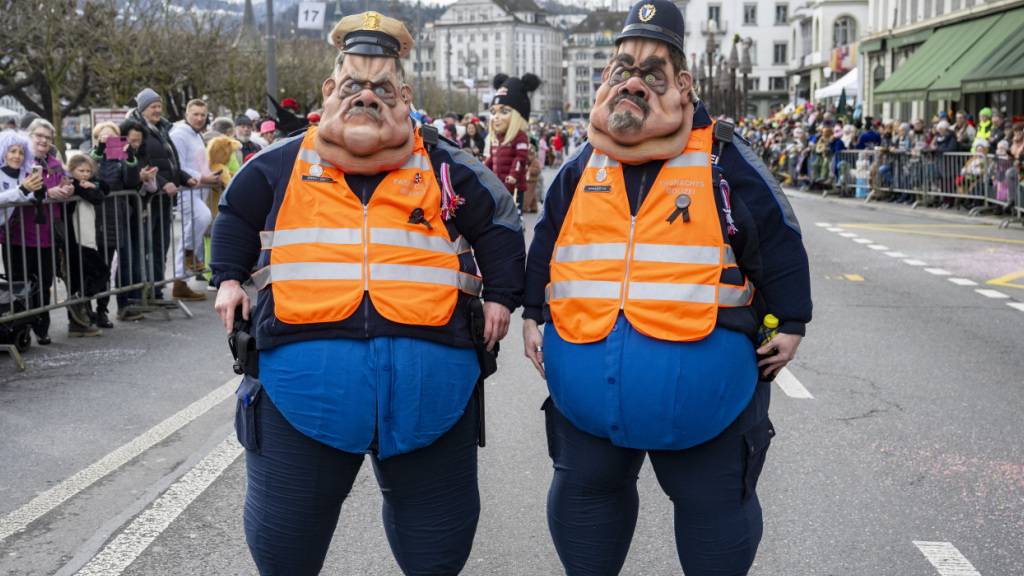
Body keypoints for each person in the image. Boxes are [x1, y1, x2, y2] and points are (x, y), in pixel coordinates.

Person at [210, 12, 524, 575]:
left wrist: (502, 295)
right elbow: (235, 211)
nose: (367, 98)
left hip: (433, 397)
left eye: (383, 89)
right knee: (284, 551)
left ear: (405, 96)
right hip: (296, 395)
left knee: (438, 552)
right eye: (353, 86)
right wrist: (229, 279)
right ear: (329, 91)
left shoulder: (445, 163)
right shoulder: (283, 162)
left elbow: (499, 219)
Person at [521, 1, 812, 574]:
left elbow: (778, 239)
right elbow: (548, 243)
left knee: (716, 521)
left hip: (710, 408)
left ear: (683, 84)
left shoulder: (723, 161)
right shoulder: (583, 166)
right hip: (587, 405)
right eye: (621, 68)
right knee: (584, 515)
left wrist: (793, 322)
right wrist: (533, 312)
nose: (632, 81)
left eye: (650, 72)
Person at [1, 119, 73, 345]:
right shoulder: (20, 163)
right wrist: (42, 192)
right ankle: (19, 330)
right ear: (28, 136)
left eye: (47, 137)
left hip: (47, 233)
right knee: (19, 284)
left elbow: (66, 181)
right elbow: (19, 192)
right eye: (38, 136)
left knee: (43, 282)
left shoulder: (54, 163)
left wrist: (69, 188)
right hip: (17, 234)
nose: (43, 140)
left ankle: (41, 328)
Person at [128, 88, 193, 300]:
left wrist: (183, 177)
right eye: (153, 107)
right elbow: (142, 163)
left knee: (160, 245)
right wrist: (163, 183)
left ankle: (156, 290)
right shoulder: (136, 129)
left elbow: (169, 161)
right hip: (148, 198)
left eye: (159, 106)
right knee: (144, 246)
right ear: (143, 109)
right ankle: (139, 293)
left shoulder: (163, 129)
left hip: (164, 198)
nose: (157, 110)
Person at [169, 99, 219, 300]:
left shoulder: (197, 136)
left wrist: (213, 175)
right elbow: (177, 165)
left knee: (198, 223)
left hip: (199, 189)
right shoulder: (179, 134)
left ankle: (180, 281)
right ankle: (190, 256)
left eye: (203, 115)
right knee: (202, 217)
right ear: (186, 114)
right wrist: (202, 178)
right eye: (195, 114)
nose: (199, 118)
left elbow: (198, 163)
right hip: (185, 190)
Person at [64, 154, 108, 336]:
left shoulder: (88, 183)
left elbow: (105, 188)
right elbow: (97, 197)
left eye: (88, 171)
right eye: (80, 171)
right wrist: (92, 187)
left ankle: (80, 312)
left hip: (88, 237)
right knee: (99, 272)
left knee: (90, 275)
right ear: (72, 171)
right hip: (78, 239)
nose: (84, 175)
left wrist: (94, 183)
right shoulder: (73, 185)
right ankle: (77, 305)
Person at [485, 73, 540, 212]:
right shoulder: (496, 138)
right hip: (498, 186)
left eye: (504, 112)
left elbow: (520, 159)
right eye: (493, 112)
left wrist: (513, 177)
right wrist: (482, 170)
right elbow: (491, 160)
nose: (496, 117)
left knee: (513, 219)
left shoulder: (520, 137)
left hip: (513, 188)